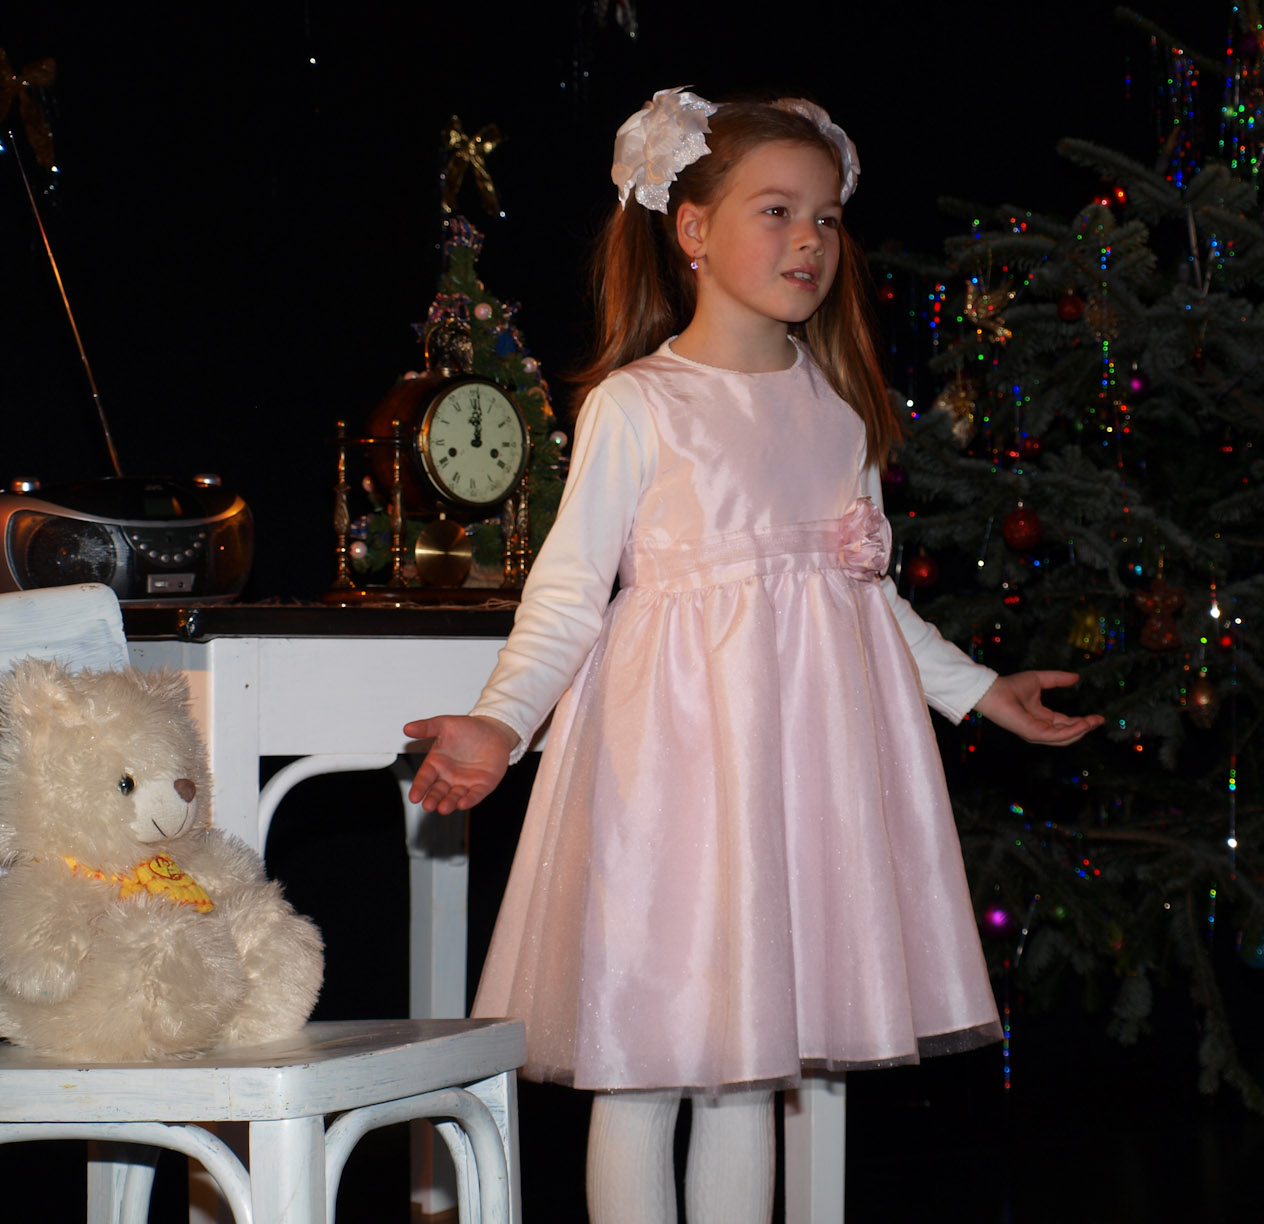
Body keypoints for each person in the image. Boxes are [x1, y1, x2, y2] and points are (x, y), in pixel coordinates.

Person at [404, 86, 1102, 1224]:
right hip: (674, 775)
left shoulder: (839, 413)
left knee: (749, 1072)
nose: (809, 239)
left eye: (826, 217)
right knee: (648, 1066)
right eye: (776, 211)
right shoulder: (640, 405)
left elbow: (862, 595)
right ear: (692, 230)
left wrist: (980, 693)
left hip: (792, 778)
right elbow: (569, 591)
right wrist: (501, 719)